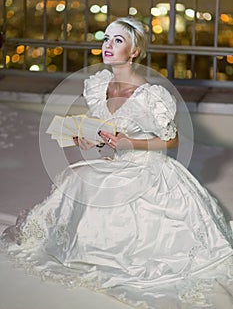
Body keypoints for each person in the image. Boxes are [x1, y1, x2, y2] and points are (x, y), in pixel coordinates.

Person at [1, 16, 233, 308]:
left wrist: (130, 144)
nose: (108, 46)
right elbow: (104, 130)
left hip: (149, 168)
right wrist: (89, 139)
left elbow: (172, 141)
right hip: (118, 162)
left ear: (134, 51)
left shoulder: (151, 96)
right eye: (106, 39)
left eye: (118, 40)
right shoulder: (100, 86)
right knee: (76, 178)